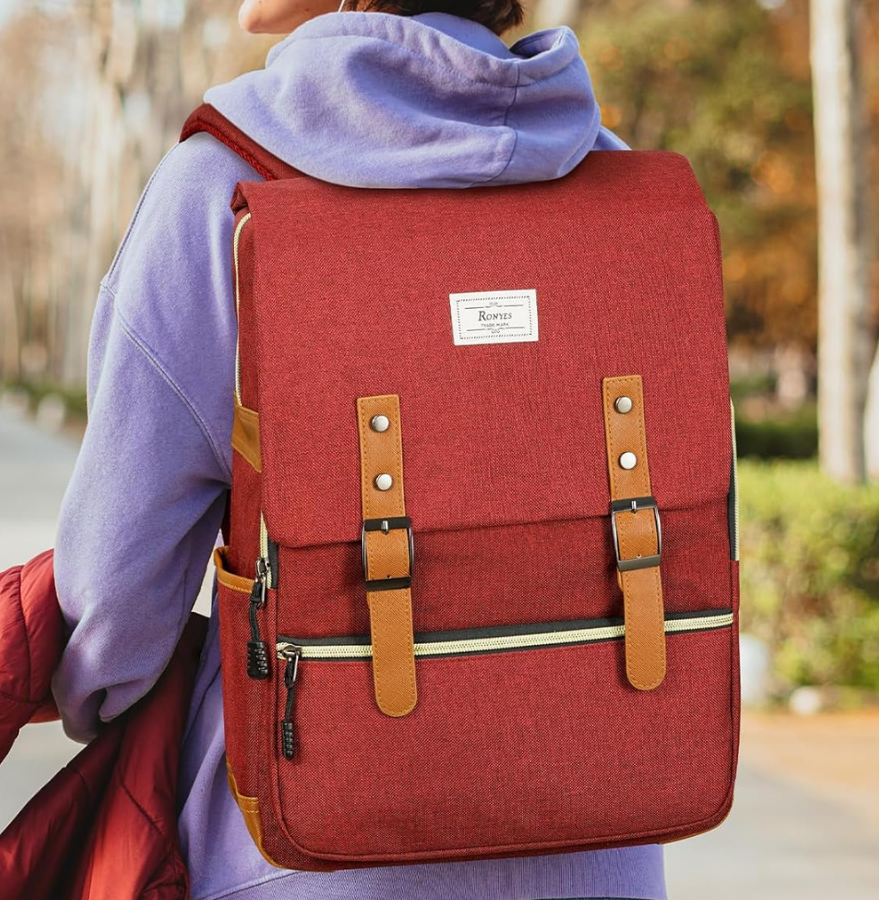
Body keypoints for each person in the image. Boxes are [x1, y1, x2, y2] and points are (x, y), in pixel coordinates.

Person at [53, 3, 664, 900]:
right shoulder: (614, 181)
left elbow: (114, 604)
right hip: (603, 848)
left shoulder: (222, 185)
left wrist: (88, 695)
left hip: (312, 854)